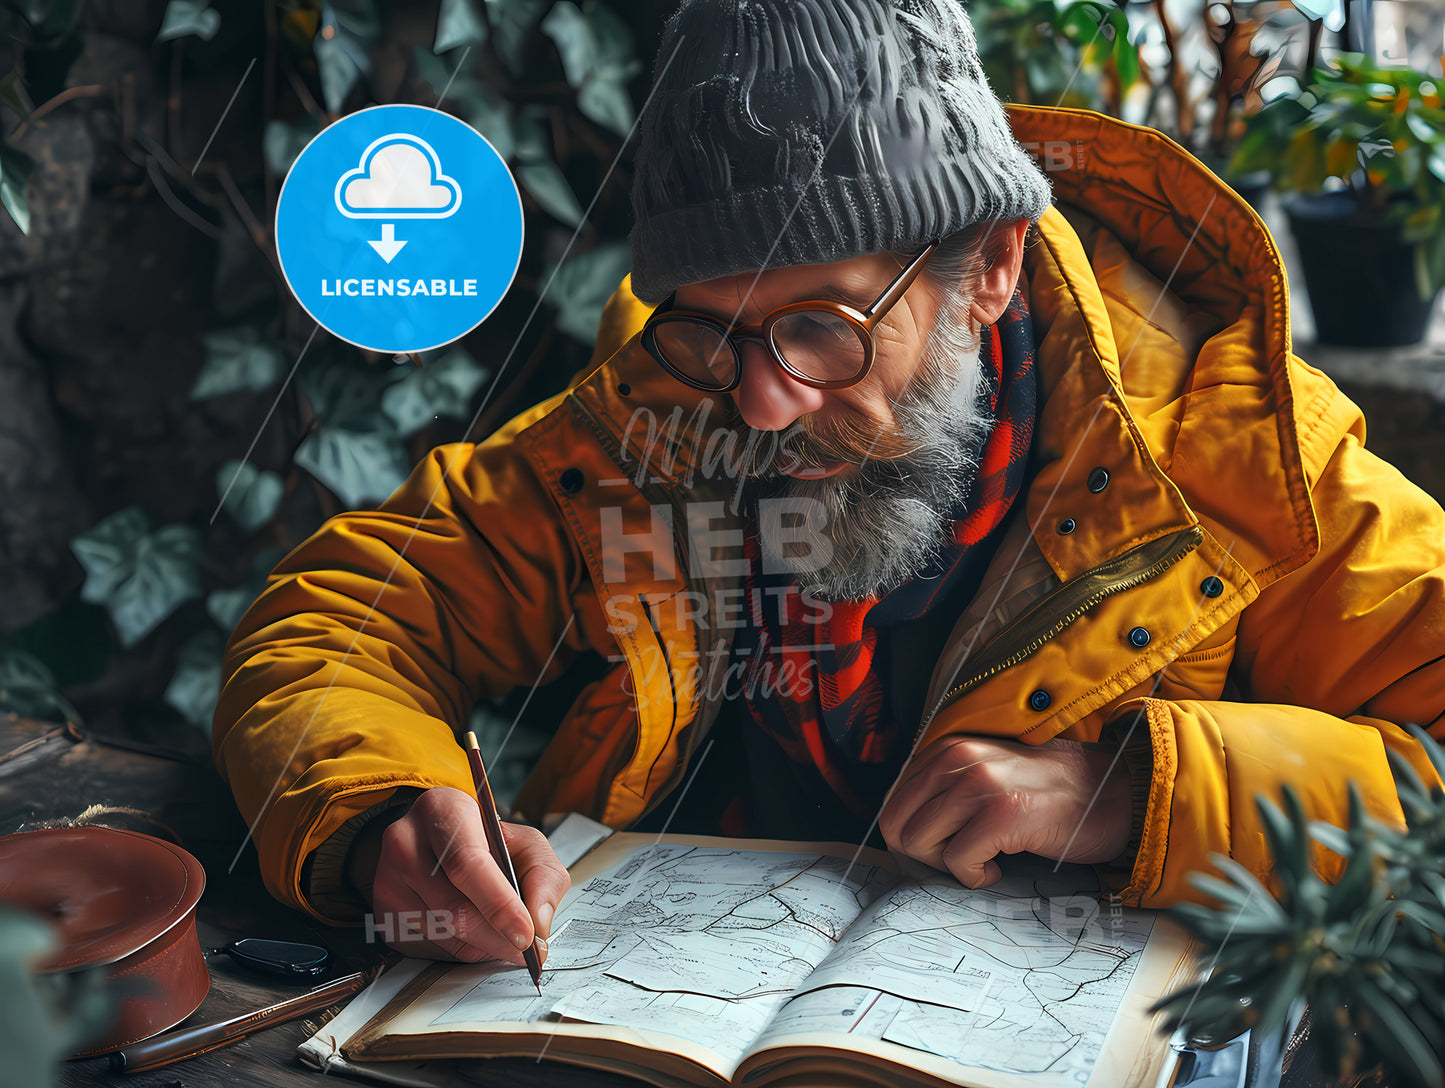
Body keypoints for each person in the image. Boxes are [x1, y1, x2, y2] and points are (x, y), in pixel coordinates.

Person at [213, 0, 1445, 969]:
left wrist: (1131, 786)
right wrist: (382, 807)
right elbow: (340, 619)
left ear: (988, 267)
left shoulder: (1242, 459)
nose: (760, 402)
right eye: (712, 328)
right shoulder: (656, 414)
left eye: (822, 326)